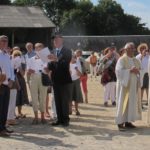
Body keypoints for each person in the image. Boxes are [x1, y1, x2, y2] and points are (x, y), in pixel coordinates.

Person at [115, 42, 143, 131]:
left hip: (133, 86)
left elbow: (141, 71)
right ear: (125, 49)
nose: (131, 50)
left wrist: (138, 72)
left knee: (131, 103)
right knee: (122, 102)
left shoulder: (136, 60)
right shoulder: (122, 60)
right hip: (124, 86)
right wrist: (130, 70)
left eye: (132, 48)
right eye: (129, 48)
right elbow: (118, 71)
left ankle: (128, 121)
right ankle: (120, 122)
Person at [47, 35, 72, 127]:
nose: (55, 42)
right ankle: (59, 119)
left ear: (62, 41)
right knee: (57, 100)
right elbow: (51, 65)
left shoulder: (67, 51)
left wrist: (56, 59)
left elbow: (65, 64)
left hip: (64, 80)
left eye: (57, 40)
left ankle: (65, 120)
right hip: (55, 80)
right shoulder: (53, 51)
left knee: (64, 100)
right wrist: (47, 67)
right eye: (54, 40)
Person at [27, 43, 48, 124]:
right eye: (37, 48)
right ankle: (36, 117)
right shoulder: (30, 59)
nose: (38, 50)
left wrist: (47, 69)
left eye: (40, 48)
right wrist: (29, 71)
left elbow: (49, 70)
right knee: (34, 97)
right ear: (35, 50)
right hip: (34, 77)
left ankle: (43, 117)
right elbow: (28, 70)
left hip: (43, 77)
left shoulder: (46, 58)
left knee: (43, 97)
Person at [0, 35, 14, 137]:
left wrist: (12, 80)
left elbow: (11, 69)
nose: (5, 42)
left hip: (8, 84)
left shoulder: (7, 55)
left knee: (5, 107)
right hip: (0, 84)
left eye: (6, 41)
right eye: (3, 41)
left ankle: (3, 127)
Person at [14, 47, 29, 119]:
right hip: (13, 81)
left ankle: (19, 112)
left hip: (20, 80)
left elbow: (23, 74)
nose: (16, 55)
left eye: (18, 54)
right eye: (15, 53)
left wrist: (19, 67)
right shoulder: (10, 60)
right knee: (13, 97)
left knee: (20, 96)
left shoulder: (22, 63)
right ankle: (12, 113)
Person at [136, 43, 149, 107]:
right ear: (140, 49)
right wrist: (142, 56)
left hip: (147, 74)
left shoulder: (148, 56)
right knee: (141, 89)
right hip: (141, 74)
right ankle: (140, 103)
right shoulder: (138, 57)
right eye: (142, 48)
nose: (144, 50)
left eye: (145, 49)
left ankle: (148, 101)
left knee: (148, 88)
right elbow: (137, 65)